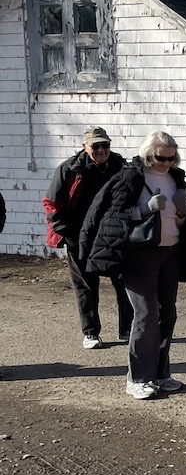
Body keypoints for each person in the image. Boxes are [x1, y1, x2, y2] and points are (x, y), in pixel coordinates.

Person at [79, 131, 186, 400]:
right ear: (148, 153)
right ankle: (138, 378)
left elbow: (178, 221)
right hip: (140, 254)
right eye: (161, 157)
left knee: (166, 314)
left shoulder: (175, 177)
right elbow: (112, 217)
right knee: (145, 315)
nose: (166, 163)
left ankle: (160, 374)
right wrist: (143, 209)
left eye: (172, 158)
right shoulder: (130, 176)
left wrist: (183, 213)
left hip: (171, 252)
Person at [44, 126, 133, 349]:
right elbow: (52, 203)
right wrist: (66, 232)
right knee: (85, 285)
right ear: (85, 147)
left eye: (105, 145)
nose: (102, 150)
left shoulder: (120, 166)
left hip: (112, 235)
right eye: (96, 145)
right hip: (79, 236)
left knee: (125, 281)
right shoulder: (69, 169)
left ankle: (128, 328)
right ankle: (91, 332)